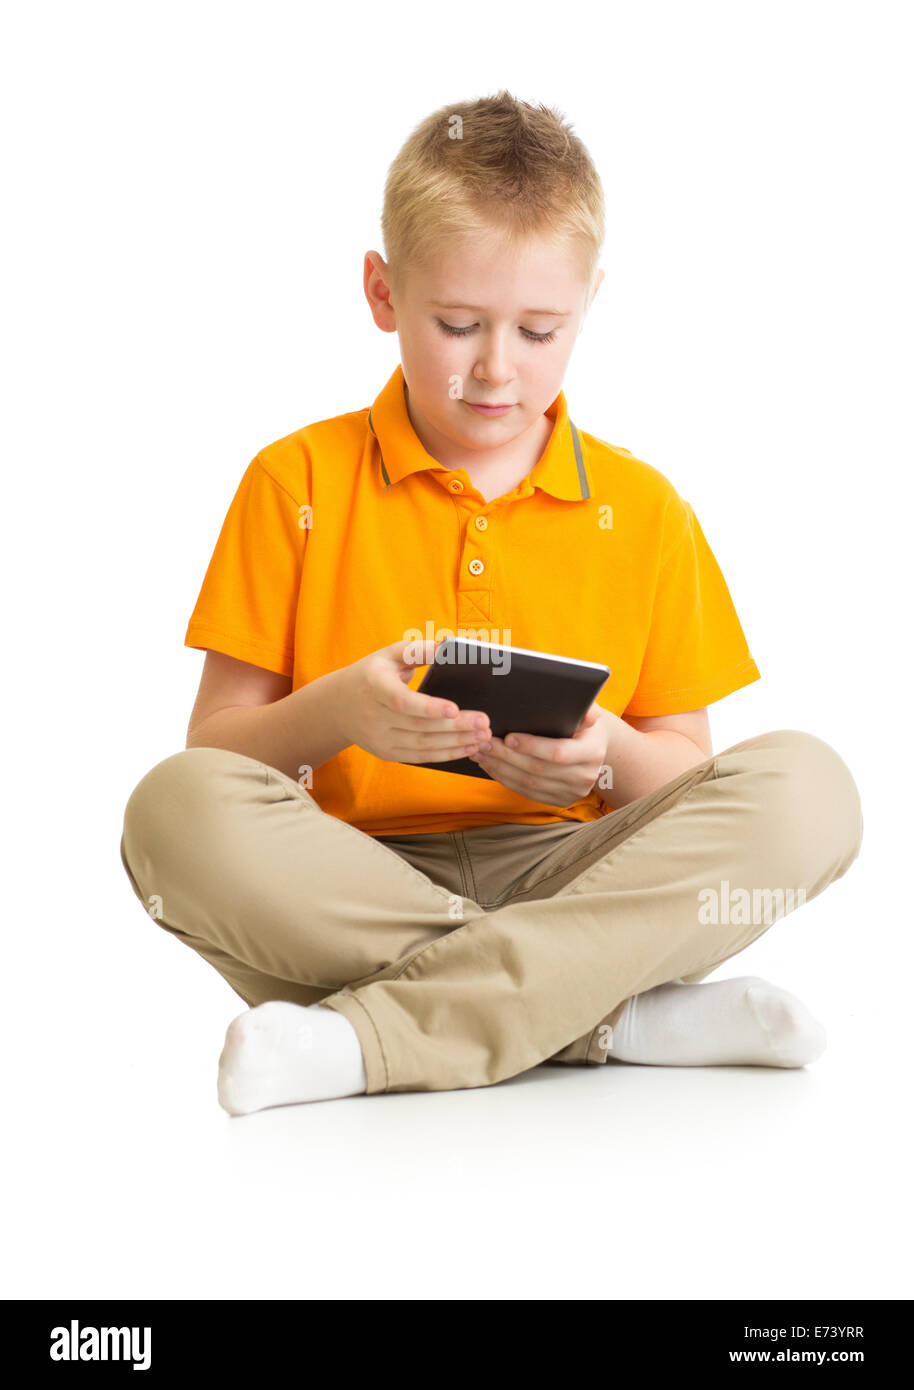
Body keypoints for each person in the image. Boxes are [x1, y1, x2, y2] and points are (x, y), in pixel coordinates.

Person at [119, 90, 863, 1115]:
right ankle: (614, 1012)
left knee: (811, 789)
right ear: (381, 292)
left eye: (539, 329)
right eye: (457, 323)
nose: (494, 369)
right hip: (347, 880)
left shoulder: (644, 510)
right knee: (168, 812)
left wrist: (602, 752)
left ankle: (366, 1036)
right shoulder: (291, 481)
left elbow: (681, 782)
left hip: (580, 870)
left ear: (588, 304)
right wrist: (343, 711)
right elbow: (216, 761)